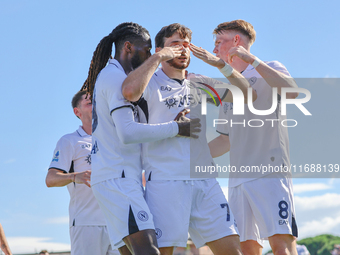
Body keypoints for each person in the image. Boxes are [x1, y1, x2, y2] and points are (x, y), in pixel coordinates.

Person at [122, 23, 255, 255]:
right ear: (160, 49)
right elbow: (129, 91)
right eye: (175, 44)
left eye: (186, 45)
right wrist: (157, 59)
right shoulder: (149, 82)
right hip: (166, 182)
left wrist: (219, 64)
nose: (182, 50)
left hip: (205, 182)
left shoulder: (200, 82)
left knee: (233, 250)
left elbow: (247, 94)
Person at [81, 22, 200, 255]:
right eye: (146, 50)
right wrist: (177, 128)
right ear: (128, 47)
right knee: (149, 251)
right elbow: (128, 133)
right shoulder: (114, 78)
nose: (149, 56)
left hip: (116, 177)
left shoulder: (113, 75)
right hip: (118, 178)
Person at [196, 20, 298, 255]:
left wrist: (253, 60)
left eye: (219, 43)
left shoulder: (269, 67)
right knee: (246, 247)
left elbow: (292, 92)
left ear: (236, 42)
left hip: (270, 174)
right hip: (238, 180)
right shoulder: (230, 89)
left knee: (281, 245)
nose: (214, 50)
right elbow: (225, 141)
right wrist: (190, 155)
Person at [46, 90, 119, 255]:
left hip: (117, 223)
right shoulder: (69, 141)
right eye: (89, 102)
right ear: (77, 112)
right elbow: (50, 179)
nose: (95, 104)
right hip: (86, 223)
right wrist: (74, 176)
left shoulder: (115, 139)